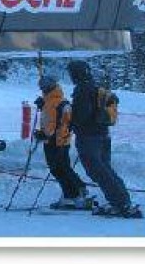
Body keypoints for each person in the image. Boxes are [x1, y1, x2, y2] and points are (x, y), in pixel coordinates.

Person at [68, 60, 141, 218]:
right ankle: (122, 200)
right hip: (102, 134)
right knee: (105, 169)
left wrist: (70, 120)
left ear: (75, 74)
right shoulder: (96, 86)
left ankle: (119, 203)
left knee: (97, 171)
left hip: (88, 137)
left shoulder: (82, 90)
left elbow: (82, 116)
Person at [33, 75, 90, 209]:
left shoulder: (57, 102)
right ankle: (71, 193)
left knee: (60, 168)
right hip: (55, 140)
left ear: (49, 87)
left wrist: (45, 134)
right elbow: (51, 121)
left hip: (57, 142)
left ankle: (77, 191)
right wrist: (42, 106)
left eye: (43, 86)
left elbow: (58, 124)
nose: (41, 89)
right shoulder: (51, 101)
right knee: (59, 168)